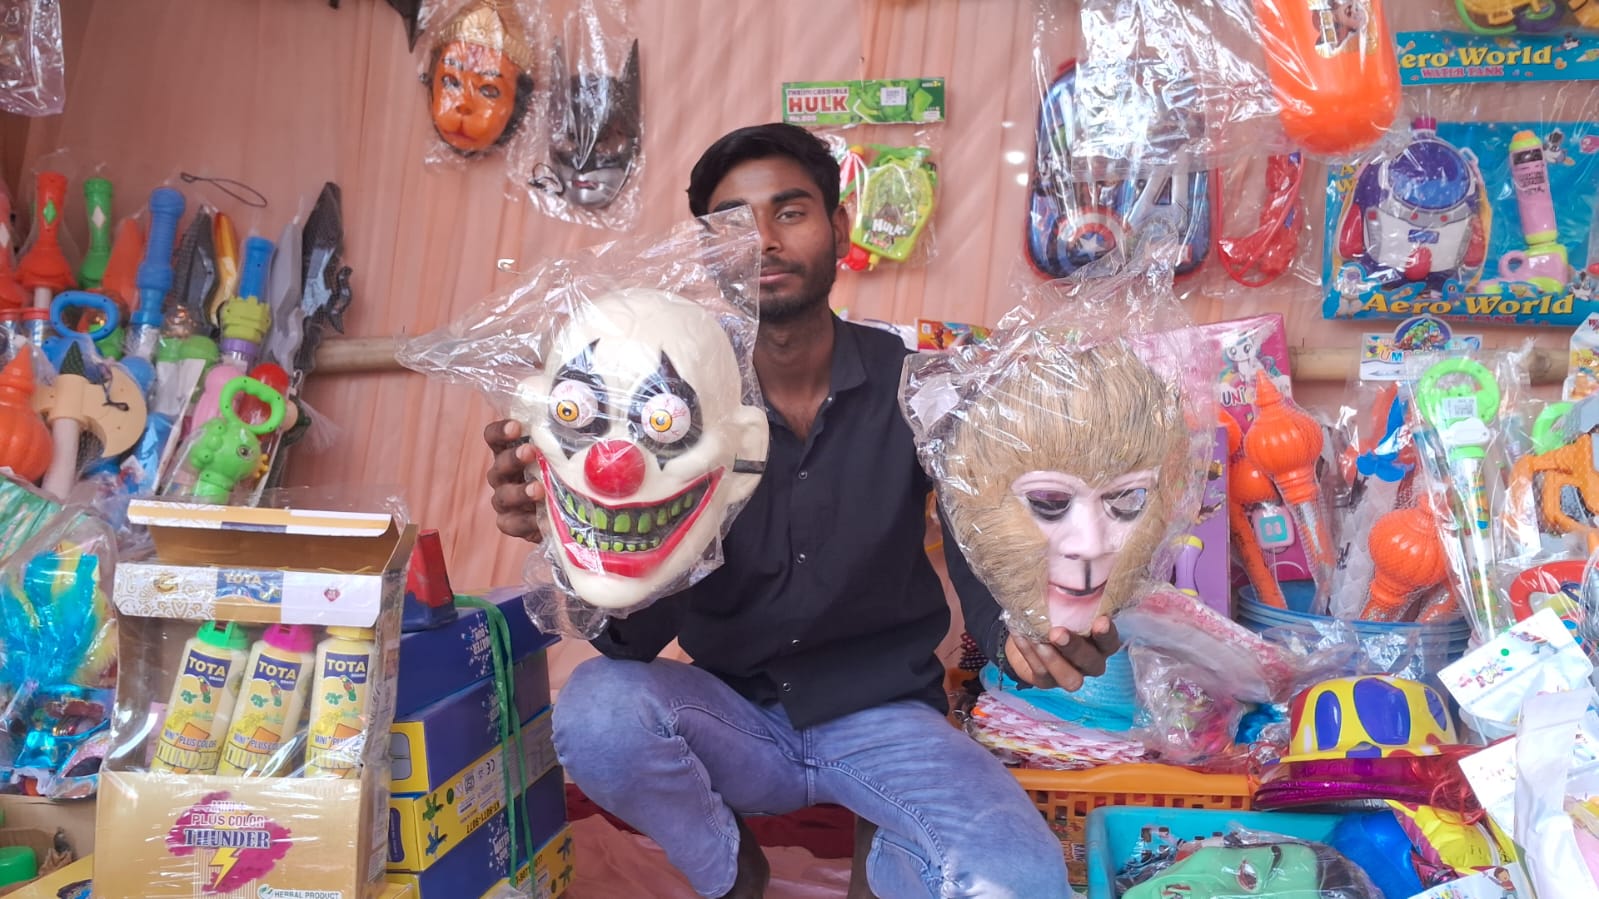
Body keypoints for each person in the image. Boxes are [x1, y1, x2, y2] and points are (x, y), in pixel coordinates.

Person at [483, 122, 1120, 899]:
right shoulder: (666, 402)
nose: (762, 240)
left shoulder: (919, 387)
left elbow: (981, 547)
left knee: (1018, 880)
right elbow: (634, 637)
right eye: (731, 224)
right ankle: (729, 867)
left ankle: (883, 860)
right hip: (732, 715)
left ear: (839, 228)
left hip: (887, 716)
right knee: (597, 712)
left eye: (789, 211)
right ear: (707, 254)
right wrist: (572, 533)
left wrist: (1023, 632)